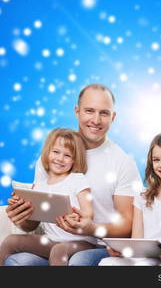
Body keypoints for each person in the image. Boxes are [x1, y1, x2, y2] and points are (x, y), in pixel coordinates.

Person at [4, 84, 142, 266]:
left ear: (113, 117)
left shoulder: (122, 162)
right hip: (54, 242)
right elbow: (33, 223)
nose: (96, 120)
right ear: (77, 112)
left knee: (77, 260)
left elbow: (128, 223)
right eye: (89, 111)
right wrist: (23, 217)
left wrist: (92, 228)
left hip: (98, 246)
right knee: (18, 261)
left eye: (104, 113)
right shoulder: (51, 158)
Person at [99, 131, 161, 265]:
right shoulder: (142, 197)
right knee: (107, 263)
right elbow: (137, 242)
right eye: (156, 160)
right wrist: (122, 251)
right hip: (146, 258)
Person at [0, 128, 95, 265]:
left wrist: (80, 217)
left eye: (67, 155)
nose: (60, 158)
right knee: (10, 241)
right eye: (56, 152)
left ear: (74, 160)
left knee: (59, 250)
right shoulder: (39, 185)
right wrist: (20, 207)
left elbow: (88, 212)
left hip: (81, 242)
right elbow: (32, 222)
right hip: (52, 240)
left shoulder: (77, 179)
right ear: (48, 152)